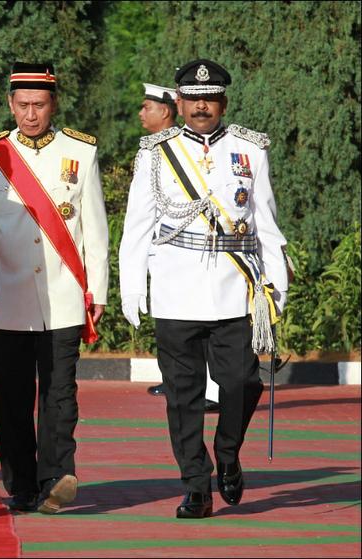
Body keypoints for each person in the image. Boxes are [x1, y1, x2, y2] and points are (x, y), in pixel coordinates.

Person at [119, 59, 288, 519]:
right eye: (193, 100)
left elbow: (265, 222)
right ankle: (196, 484)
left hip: (234, 291)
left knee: (242, 382)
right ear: (180, 102)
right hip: (176, 290)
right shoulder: (156, 151)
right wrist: (132, 287)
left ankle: (228, 453)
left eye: (209, 99)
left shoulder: (249, 149)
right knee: (183, 396)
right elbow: (137, 225)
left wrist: (276, 282)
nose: (200, 107)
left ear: (223, 103)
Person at [0, 62, 109, 514]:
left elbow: (95, 229)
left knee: (60, 393)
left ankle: (57, 476)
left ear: (53, 104)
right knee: (10, 397)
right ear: (10, 104)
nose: (30, 114)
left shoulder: (81, 153)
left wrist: (100, 292)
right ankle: (20, 483)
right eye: (22, 105)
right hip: (7, 299)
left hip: (64, 295)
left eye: (39, 105)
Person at [138, 83, 221, 412]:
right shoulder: (154, 148)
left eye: (148, 107)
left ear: (166, 111)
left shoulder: (188, 147)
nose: (141, 113)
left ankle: (213, 390)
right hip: (167, 251)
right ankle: (179, 381)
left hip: (198, 249)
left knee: (209, 322)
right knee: (178, 327)